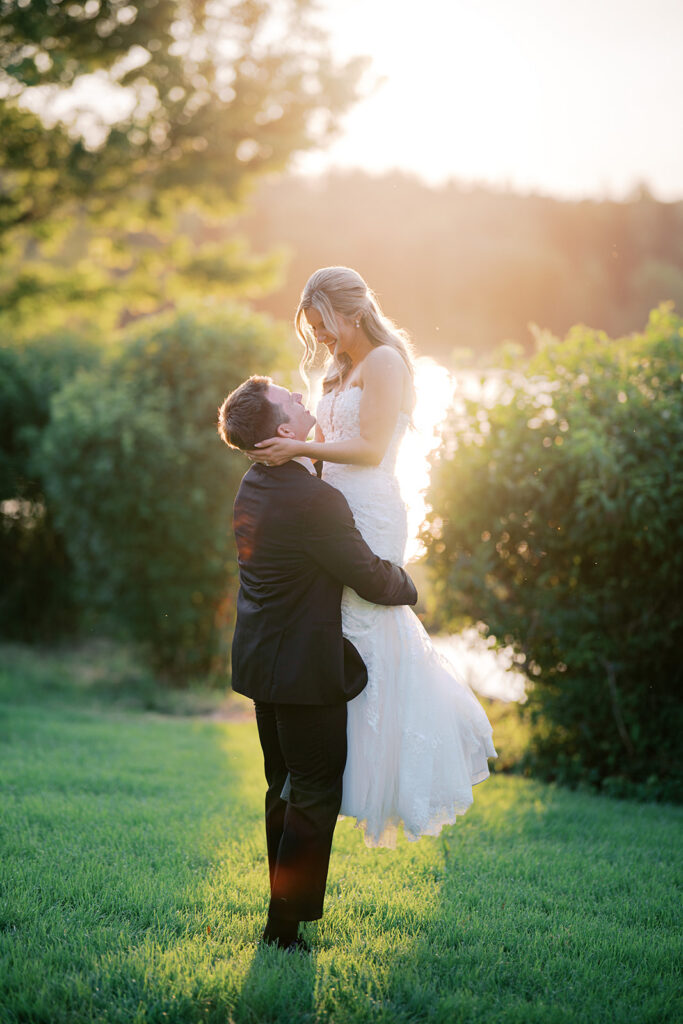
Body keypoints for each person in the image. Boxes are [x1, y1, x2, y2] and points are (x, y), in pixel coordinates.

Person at [249, 266, 498, 847]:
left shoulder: (385, 361)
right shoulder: (339, 369)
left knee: (367, 619)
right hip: (329, 507)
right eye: (313, 328)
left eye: (324, 325)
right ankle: (330, 756)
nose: (322, 338)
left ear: (351, 311)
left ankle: (373, 759)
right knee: (328, 627)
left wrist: (301, 447)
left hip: (370, 507)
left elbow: (370, 447)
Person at [218, 375, 418, 950]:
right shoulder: (314, 500)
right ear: (283, 429)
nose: (303, 399)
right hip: (304, 671)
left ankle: (280, 914)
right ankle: (283, 929)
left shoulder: (253, 483)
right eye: (292, 400)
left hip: (261, 661)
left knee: (283, 783)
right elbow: (370, 577)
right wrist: (410, 585)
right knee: (311, 789)